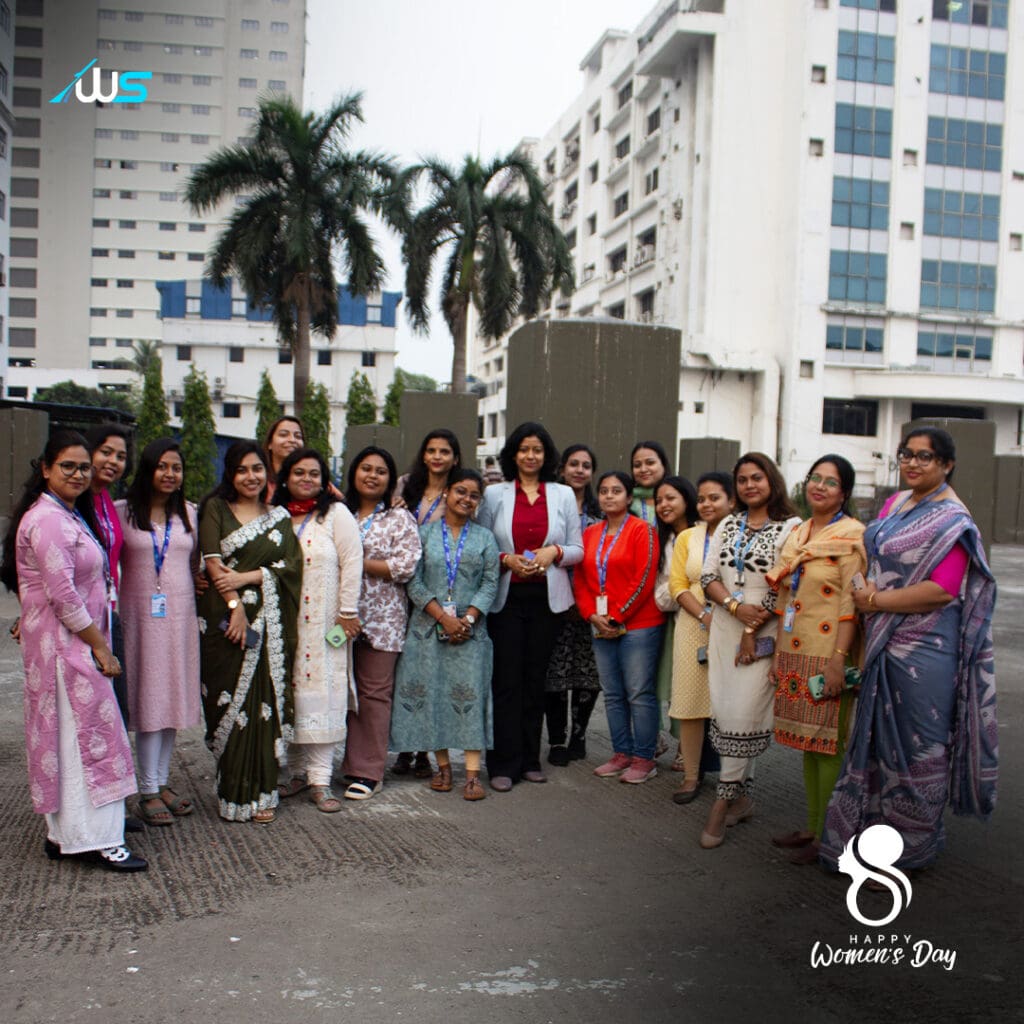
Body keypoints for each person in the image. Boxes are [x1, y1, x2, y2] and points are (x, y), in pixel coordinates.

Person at [821, 428, 997, 871]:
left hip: (924, 650)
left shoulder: (952, 520)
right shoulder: (896, 504)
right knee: (877, 747)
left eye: (925, 457)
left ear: (946, 465)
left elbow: (941, 590)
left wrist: (875, 601)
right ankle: (865, 841)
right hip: (883, 639)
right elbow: (877, 558)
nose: (913, 463)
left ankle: (908, 852)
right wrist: (869, 594)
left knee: (918, 749)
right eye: (906, 454)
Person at [0, 430, 145, 871]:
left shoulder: (65, 513)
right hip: (68, 651)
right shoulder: (48, 520)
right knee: (88, 740)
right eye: (68, 466)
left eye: (84, 467)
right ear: (46, 469)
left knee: (68, 740)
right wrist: (101, 648)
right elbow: (63, 596)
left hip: (64, 647)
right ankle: (99, 841)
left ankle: (65, 835)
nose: (78, 474)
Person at [765, 455, 866, 864]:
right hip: (795, 653)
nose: (819, 487)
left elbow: (850, 606)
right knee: (809, 745)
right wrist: (778, 654)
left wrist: (838, 661)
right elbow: (785, 599)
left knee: (828, 747)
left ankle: (831, 838)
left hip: (828, 657)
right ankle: (812, 827)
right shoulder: (799, 535)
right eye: (815, 478)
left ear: (844, 493)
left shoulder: (852, 538)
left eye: (831, 482)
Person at [699, 452, 800, 849]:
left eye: (756, 477)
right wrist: (734, 607)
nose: (749, 485)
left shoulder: (791, 527)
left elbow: (786, 584)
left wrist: (751, 625)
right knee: (727, 715)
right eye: (742, 480)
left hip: (764, 632)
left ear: (771, 480)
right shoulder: (728, 522)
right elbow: (708, 575)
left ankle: (721, 803)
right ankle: (741, 799)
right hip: (725, 628)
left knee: (744, 714)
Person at [197, 440, 302, 823]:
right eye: (242, 470)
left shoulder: (279, 518)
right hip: (223, 624)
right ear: (230, 473)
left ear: (266, 473)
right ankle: (233, 791)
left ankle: (264, 790)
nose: (250, 476)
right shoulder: (215, 508)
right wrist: (235, 608)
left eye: (257, 468)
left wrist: (249, 576)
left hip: (267, 626)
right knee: (228, 703)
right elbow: (213, 564)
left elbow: (291, 568)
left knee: (263, 704)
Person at [477, 422, 583, 791]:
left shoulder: (563, 495)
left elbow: (578, 549)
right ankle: (502, 764)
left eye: (537, 449)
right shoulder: (494, 494)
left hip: (546, 602)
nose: (530, 456)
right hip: (506, 600)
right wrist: (506, 559)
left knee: (535, 682)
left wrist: (555, 552)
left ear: (546, 455)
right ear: (513, 454)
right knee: (506, 681)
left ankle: (530, 761)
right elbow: (483, 545)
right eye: (524, 449)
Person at [390, 469, 500, 800]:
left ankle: (472, 775)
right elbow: (413, 581)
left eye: (474, 495)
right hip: (427, 629)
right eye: (460, 491)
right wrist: (442, 617)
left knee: (470, 696)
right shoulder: (422, 534)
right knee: (433, 695)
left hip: (471, 632)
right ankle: (443, 768)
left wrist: (467, 619)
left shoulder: (485, 538)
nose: (466, 499)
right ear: (447, 493)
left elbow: (490, 582)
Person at [116, 439, 202, 827]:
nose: (170, 474)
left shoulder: (190, 514)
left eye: (176, 468)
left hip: (179, 619)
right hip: (139, 620)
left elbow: (197, 562)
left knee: (171, 702)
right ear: (148, 469)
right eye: (162, 466)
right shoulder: (123, 512)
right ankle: (147, 790)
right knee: (149, 700)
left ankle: (161, 782)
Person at [272, 448, 363, 813]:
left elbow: (353, 560)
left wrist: (347, 612)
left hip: (327, 623)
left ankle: (321, 780)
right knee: (291, 693)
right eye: (299, 473)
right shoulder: (275, 515)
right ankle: (296, 773)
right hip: (285, 623)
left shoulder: (336, 514)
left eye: (314, 473)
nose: (306, 479)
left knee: (324, 693)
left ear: (324, 480)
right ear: (285, 478)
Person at [573, 471, 665, 784]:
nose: (609, 496)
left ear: (628, 497)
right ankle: (621, 753)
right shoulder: (590, 533)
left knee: (638, 692)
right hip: (600, 623)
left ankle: (644, 758)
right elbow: (581, 580)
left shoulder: (642, 530)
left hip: (638, 624)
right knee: (612, 694)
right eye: (604, 491)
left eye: (616, 491)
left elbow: (644, 577)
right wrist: (591, 614)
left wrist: (617, 615)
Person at [341, 446, 422, 801]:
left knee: (373, 694)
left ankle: (368, 771)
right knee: (336, 691)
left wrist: (355, 561)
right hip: (339, 615)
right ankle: (334, 765)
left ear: (390, 479)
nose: (372, 475)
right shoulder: (339, 513)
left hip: (382, 619)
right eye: (366, 468)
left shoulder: (399, 518)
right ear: (353, 473)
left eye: (380, 471)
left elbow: (405, 566)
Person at [391, 428, 462, 778]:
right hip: (399, 587)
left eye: (444, 451)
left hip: (436, 588)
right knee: (404, 671)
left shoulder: (459, 491)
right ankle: (404, 747)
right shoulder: (405, 485)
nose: (437, 457)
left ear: (455, 458)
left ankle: (423, 751)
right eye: (431, 450)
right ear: (423, 454)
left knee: (431, 672)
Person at [667, 472, 735, 803]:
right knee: (690, 702)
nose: (706, 504)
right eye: (702, 499)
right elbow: (677, 585)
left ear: (732, 501)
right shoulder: (688, 537)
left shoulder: (742, 535)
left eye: (715, 498)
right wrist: (705, 616)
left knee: (731, 706)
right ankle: (691, 776)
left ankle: (733, 782)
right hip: (693, 625)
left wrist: (723, 616)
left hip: (734, 624)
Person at [545, 444, 602, 765]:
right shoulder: (549, 505)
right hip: (555, 601)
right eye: (574, 464)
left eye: (586, 465)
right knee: (554, 673)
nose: (579, 470)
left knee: (586, 673)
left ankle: (578, 737)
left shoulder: (600, 513)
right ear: (562, 468)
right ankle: (556, 740)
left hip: (591, 605)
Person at [85, 424, 133, 727]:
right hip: (82, 618)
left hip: (108, 612)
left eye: (121, 456)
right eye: (106, 452)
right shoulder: (75, 499)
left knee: (115, 709)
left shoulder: (106, 499)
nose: (113, 461)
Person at [652, 475, 699, 762]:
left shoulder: (702, 533)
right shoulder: (661, 538)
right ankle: (666, 741)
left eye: (670, 498)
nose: (663, 505)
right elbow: (662, 589)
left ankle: (688, 750)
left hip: (700, 619)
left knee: (693, 684)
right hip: (669, 618)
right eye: (659, 500)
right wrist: (677, 589)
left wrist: (676, 588)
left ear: (687, 499)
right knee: (670, 683)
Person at [262, 416, 305, 502]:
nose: (292, 440)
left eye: (298, 436)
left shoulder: (314, 481)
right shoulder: (258, 480)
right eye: (283, 435)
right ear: (270, 443)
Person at [629, 440, 671, 525]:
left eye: (650, 463)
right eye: (637, 465)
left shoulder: (678, 498)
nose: (643, 469)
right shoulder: (625, 501)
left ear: (663, 465)